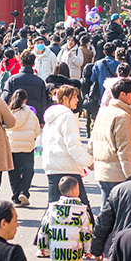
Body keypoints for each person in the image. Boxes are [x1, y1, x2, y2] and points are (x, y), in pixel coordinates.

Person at [36, 176, 93, 261]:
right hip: (74, 250)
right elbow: (87, 232)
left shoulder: (52, 209)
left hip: (57, 250)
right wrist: (88, 250)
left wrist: (42, 247)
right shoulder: (81, 211)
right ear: (75, 191)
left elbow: (44, 228)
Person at [41, 86, 95, 220]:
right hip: (67, 168)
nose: (78, 100)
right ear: (65, 98)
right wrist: (89, 161)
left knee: (53, 210)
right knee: (83, 209)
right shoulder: (67, 116)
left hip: (52, 167)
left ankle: (46, 233)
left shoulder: (51, 117)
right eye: (74, 96)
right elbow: (73, 146)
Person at [91, 78, 131, 203]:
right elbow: (125, 149)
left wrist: (91, 161)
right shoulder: (122, 116)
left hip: (102, 171)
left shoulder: (103, 112)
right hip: (117, 173)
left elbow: (93, 139)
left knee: (106, 208)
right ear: (122, 94)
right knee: (120, 210)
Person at [6, 89, 40, 207]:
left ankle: (16, 197)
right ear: (25, 100)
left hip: (12, 146)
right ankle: (24, 191)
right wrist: (32, 137)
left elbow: (5, 128)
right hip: (27, 146)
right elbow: (37, 129)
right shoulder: (30, 113)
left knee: (13, 172)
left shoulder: (9, 113)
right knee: (28, 170)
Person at [2, 51, 50, 124]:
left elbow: (5, 99)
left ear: (20, 63)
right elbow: (43, 103)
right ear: (33, 64)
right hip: (34, 118)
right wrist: (41, 121)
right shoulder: (40, 82)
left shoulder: (12, 80)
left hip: (15, 119)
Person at [100, 63, 131, 141]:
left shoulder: (112, 85)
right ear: (129, 73)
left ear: (117, 73)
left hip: (115, 119)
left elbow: (104, 103)